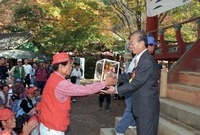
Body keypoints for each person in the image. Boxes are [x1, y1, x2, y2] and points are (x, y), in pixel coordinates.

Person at [39, 52, 116, 135]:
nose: (71, 67)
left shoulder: (53, 78)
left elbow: (76, 91)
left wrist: (99, 90)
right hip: (53, 128)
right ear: (61, 66)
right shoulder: (61, 83)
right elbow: (83, 90)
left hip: (49, 125)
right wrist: (104, 83)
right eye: (69, 64)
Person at [106, 31, 160, 135]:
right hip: (141, 107)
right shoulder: (141, 58)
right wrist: (117, 77)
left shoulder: (146, 60)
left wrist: (116, 90)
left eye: (132, 43)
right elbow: (132, 76)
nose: (130, 46)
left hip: (146, 109)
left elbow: (136, 83)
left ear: (142, 43)